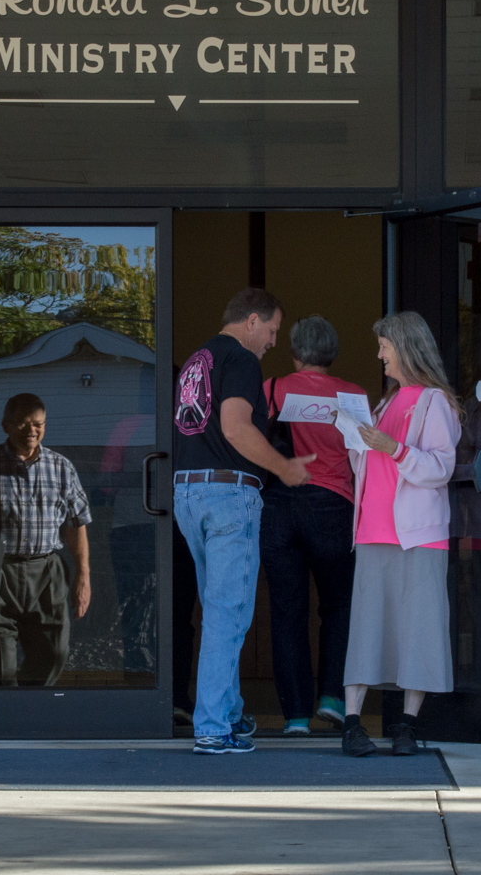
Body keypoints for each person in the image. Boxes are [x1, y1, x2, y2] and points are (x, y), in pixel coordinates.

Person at [173, 287, 317, 754]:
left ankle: (229, 714)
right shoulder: (241, 359)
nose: (274, 341)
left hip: (189, 493)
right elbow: (236, 427)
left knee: (219, 607)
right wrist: (284, 467)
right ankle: (213, 726)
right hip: (227, 494)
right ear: (251, 321)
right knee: (227, 612)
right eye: (272, 330)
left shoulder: (198, 360)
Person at [340, 311, 462, 758]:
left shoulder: (435, 402)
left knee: (419, 631)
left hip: (419, 535)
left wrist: (393, 448)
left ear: (406, 347)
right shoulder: (385, 403)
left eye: (384, 346)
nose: (379, 354)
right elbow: (371, 466)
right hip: (373, 530)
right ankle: (353, 722)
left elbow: (440, 468)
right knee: (367, 628)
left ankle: (406, 726)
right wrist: (358, 444)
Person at [259, 315, 366, 735]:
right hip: (333, 506)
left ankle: (296, 716)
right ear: (333, 352)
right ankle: (334, 698)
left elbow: (253, 439)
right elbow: (364, 458)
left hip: (279, 506)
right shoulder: (353, 395)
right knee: (338, 606)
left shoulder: (274, 388)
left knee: (287, 611)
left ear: (296, 352)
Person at [0, 392, 92, 686]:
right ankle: (3, 719)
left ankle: (26, 707)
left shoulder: (62, 468)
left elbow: (77, 523)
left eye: (39, 424)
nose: (32, 431)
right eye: (23, 424)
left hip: (47, 570)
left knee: (55, 652)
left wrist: (83, 577)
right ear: (5, 425)